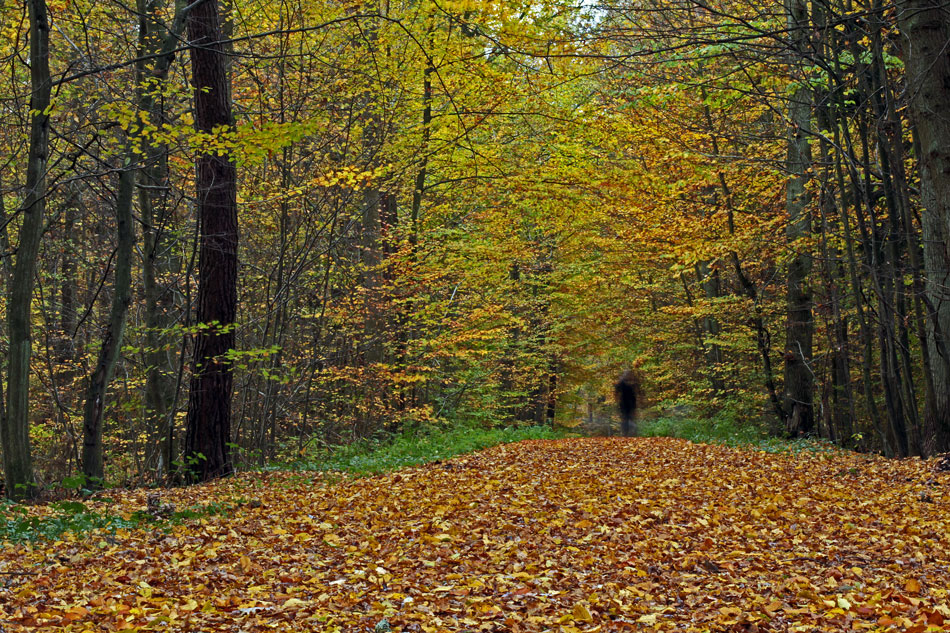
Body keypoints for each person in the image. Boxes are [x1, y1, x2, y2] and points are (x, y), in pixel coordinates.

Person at [614, 370, 639, 437]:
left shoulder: (634, 383)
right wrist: (616, 399)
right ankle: (625, 433)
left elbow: (638, 392)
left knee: (630, 417)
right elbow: (616, 392)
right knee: (625, 418)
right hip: (624, 402)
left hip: (631, 403)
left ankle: (630, 433)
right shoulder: (621, 383)